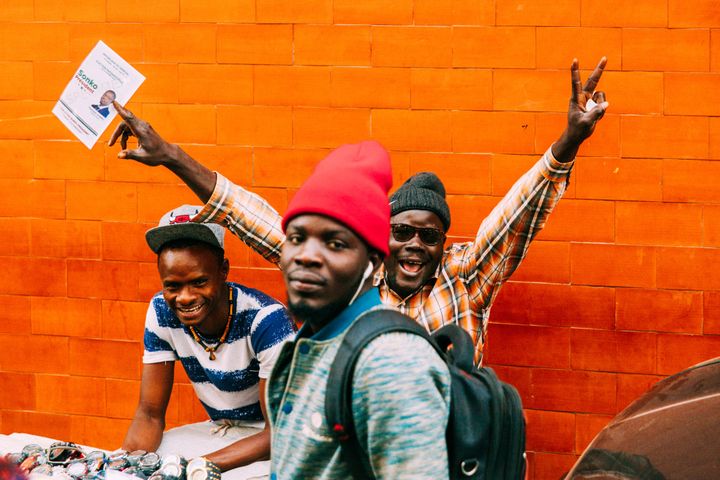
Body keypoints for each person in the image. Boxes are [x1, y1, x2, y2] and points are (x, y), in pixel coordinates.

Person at [110, 57, 608, 364]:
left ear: (443, 245)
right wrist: (173, 157)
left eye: (429, 237)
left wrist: (569, 141)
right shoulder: (355, 281)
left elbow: (516, 217)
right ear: (379, 237)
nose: (414, 245)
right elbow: (252, 218)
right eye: (403, 232)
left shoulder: (467, 277)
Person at [268, 140, 451, 477]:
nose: (306, 255)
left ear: (373, 262)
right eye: (296, 238)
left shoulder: (391, 362)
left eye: (335, 243)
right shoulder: (312, 339)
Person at [122, 205, 296, 480]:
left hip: (274, 443)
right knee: (142, 464)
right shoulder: (161, 310)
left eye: (199, 281)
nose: (185, 297)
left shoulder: (267, 321)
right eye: (172, 286)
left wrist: (197, 466)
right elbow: (150, 414)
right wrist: (129, 468)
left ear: (223, 270)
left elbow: (279, 433)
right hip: (217, 432)